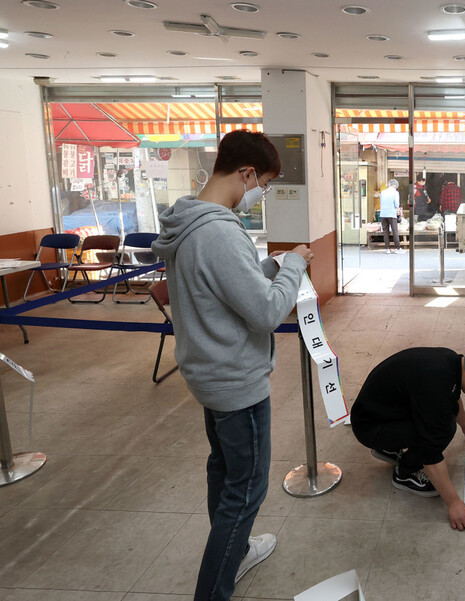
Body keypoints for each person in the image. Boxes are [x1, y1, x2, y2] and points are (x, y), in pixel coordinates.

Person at [152, 130, 313, 601]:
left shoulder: (189, 221)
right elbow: (265, 312)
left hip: (207, 372)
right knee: (244, 492)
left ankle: (238, 551)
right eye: (261, 181)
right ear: (245, 173)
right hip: (236, 381)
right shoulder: (221, 231)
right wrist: (295, 266)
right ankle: (214, 589)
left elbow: (222, 290)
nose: (258, 192)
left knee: (223, 471)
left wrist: (270, 268)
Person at [350, 343, 465, 531]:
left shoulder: (451, 362)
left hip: (377, 411)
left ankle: (389, 447)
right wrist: (454, 503)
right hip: (370, 426)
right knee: (443, 429)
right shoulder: (435, 384)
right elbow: (431, 452)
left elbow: (452, 397)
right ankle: (404, 474)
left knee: (442, 416)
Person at [379, 179, 404, 253]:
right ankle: (397, 248)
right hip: (392, 214)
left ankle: (387, 249)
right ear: (395, 185)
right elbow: (397, 204)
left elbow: (381, 201)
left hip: (383, 214)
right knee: (394, 231)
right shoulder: (395, 193)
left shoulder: (383, 192)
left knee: (385, 232)